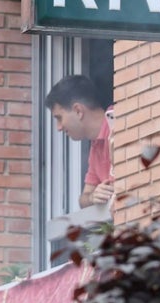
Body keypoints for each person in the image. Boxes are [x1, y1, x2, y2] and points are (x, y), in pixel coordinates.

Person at [45, 75, 115, 209]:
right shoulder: (95, 146)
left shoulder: (119, 120)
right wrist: (92, 197)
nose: (58, 128)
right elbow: (83, 199)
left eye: (59, 118)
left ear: (78, 111)